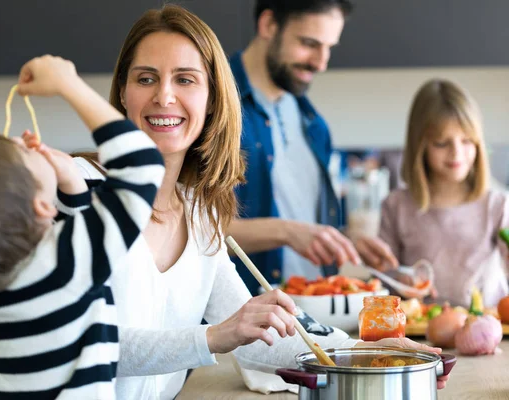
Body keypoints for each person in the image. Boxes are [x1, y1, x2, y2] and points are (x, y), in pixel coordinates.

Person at [67, 5, 449, 399]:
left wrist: (363, 353)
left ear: (213, 99)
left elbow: (257, 333)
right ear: (124, 94)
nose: (164, 95)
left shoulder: (200, 216)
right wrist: (213, 337)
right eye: (146, 78)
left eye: (185, 80)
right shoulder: (79, 189)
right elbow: (75, 341)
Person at [0, 55, 165, 399]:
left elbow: (65, 251)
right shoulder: (63, 267)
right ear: (42, 206)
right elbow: (143, 165)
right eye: (24, 154)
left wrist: (73, 187)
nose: (25, 139)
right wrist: (69, 85)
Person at [226, 0, 398, 294]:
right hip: (245, 320)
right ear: (268, 25)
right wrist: (287, 232)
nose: (321, 63)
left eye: (329, 47)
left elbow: (304, 220)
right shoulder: (213, 107)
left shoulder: (313, 124)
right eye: (309, 43)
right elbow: (193, 233)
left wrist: (343, 239)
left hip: (310, 315)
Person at [377, 79, 509, 308]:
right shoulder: (396, 206)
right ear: (420, 146)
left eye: (467, 141)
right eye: (441, 143)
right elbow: (382, 278)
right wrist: (400, 279)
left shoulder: (497, 205)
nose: (456, 153)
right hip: (420, 333)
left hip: (487, 328)